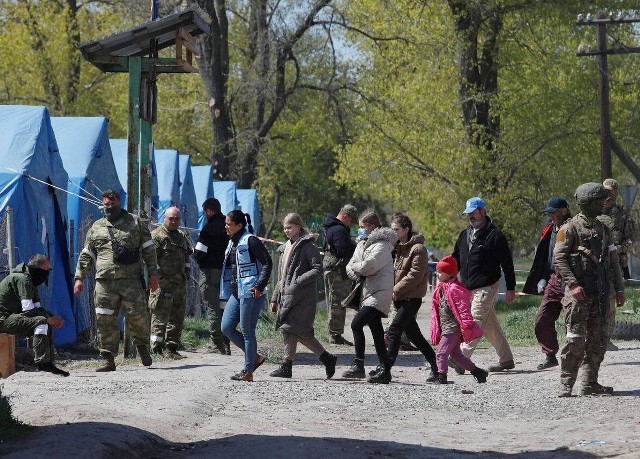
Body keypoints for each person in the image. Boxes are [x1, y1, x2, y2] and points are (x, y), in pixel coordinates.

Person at [74, 189, 158, 372]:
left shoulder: (135, 222)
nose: (109, 207)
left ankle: (142, 348)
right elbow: (87, 254)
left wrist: (153, 274)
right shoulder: (96, 227)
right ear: (102, 204)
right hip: (104, 281)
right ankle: (108, 359)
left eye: (112, 203)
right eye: (106, 204)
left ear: (120, 202)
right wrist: (79, 277)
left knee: (138, 316)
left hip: (131, 280)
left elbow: (149, 250)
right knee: (105, 319)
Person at [553, 182, 625, 397]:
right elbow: (559, 258)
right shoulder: (569, 229)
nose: (605, 203)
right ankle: (566, 384)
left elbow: (613, 262)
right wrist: (573, 284)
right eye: (600, 200)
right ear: (587, 203)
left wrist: (619, 289)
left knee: (598, 341)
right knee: (575, 340)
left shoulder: (603, 229)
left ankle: (589, 383)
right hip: (579, 295)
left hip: (602, 293)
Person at [268, 213, 338, 379]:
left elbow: (317, 269)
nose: (286, 230)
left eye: (290, 227)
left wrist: (298, 281)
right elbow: (282, 276)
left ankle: (287, 365)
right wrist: (274, 297)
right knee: (295, 331)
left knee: (292, 329)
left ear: (299, 227)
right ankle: (325, 358)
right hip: (287, 295)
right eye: (285, 227)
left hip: (302, 297)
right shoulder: (285, 248)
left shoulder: (308, 246)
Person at [452, 197, 517, 373]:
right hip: (468, 288)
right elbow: (455, 259)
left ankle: (461, 358)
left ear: (483, 211)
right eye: (469, 213)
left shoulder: (495, 235)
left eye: (474, 212)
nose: (471, 216)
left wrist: (510, 288)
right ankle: (506, 359)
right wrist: (448, 278)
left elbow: (507, 263)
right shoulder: (464, 235)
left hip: (487, 286)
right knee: (489, 325)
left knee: (474, 321)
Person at [341, 210, 397, 384]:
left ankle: (359, 365)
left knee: (356, 324)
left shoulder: (382, 245)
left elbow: (368, 267)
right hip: (368, 292)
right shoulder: (361, 244)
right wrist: (358, 268)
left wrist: (358, 268)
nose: (360, 231)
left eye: (362, 227)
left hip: (379, 293)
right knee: (377, 332)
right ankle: (385, 369)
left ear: (372, 226)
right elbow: (349, 267)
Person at [381, 214, 438, 380]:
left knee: (394, 331)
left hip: (411, 299)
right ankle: (437, 366)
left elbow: (415, 275)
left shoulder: (418, 249)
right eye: (391, 229)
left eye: (396, 230)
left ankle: (385, 370)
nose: (393, 233)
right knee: (415, 336)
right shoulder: (399, 247)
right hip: (400, 298)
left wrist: (395, 290)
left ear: (406, 230)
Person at [220, 210, 273, 382]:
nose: (226, 226)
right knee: (226, 327)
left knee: (247, 331)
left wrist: (260, 285)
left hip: (251, 292)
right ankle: (255, 358)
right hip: (237, 292)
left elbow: (267, 262)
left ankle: (248, 370)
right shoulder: (232, 241)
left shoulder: (251, 240)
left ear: (239, 225)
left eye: (229, 224)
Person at [523, 196, 571, 370]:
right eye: (549, 213)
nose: (551, 216)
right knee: (542, 320)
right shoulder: (550, 230)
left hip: (572, 280)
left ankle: (574, 358)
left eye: (554, 212)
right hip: (553, 279)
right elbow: (545, 257)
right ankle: (550, 355)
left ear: (564, 211)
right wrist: (543, 277)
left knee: (572, 322)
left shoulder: (574, 228)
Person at [0, 254, 68, 376]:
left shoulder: (30, 281)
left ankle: (48, 363)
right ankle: (42, 364)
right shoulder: (23, 279)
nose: (47, 273)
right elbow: (28, 310)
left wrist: (53, 318)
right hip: (3, 319)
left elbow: (37, 308)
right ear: (36, 268)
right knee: (42, 321)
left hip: (11, 317)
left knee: (45, 320)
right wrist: (48, 318)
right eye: (46, 269)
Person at [428, 256, 487, 384]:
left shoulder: (455, 289)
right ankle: (478, 372)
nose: (436, 273)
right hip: (446, 326)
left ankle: (441, 376)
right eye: (437, 271)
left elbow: (463, 308)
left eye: (440, 271)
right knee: (457, 356)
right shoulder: (442, 288)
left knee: (441, 353)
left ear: (448, 273)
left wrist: (467, 324)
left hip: (453, 327)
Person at [149, 207, 193, 359]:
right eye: (171, 218)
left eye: (176, 219)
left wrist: (186, 273)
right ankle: (156, 349)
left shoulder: (181, 237)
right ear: (164, 218)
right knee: (159, 317)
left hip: (179, 285)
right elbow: (151, 261)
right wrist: (160, 278)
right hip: (163, 285)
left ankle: (171, 349)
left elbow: (186, 257)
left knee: (177, 317)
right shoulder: (157, 236)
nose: (174, 221)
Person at [602, 178, 636, 351]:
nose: (607, 195)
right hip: (595, 263)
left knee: (610, 300)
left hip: (615, 264)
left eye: (610, 191)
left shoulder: (623, 216)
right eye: (604, 191)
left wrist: (620, 248)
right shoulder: (594, 213)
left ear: (615, 193)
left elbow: (632, 239)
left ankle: (606, 337)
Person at [194, 198, 230, 355]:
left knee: (212, 308)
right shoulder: (229, 226)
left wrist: (197, 256)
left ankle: (217, 343)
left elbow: (199, 253)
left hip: (209, 273)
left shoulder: (207, 229)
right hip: (227, 274)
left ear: (208, 211)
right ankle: (227, 342)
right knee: (224, 308)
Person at [322, 204, 358, 345]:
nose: (352, 223)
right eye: (351, 220)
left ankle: (335, 333)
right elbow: (343, 250)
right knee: (337, 303)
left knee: (335, 302)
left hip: (332, 269)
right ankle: (335, 335)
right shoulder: (339, 230)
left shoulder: (332, 227)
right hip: (337, 270)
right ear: (345, 216)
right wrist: (355, 246)